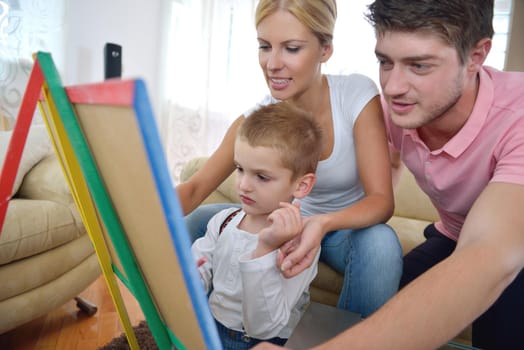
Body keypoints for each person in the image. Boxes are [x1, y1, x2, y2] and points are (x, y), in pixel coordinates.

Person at [254, 0, 524, 349]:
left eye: (419, 65)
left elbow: (488, 252)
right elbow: (389, 168)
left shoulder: (516, 115)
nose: (393, 87)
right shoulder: (399, 109)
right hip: (454, 235)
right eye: (385, 62)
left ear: (476, 56)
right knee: (389, 308)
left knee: (498, 319)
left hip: (509, 243)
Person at [177, 0, 403, 319]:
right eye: (264, 46)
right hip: (277, 220)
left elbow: (382, 201)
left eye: (291, 49)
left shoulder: (355, 95)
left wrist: (320, 224)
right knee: (198, 220)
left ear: (325, 50)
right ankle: (191, 329)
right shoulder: (257, 118)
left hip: (341, 230)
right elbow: (195, 188)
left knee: (381, 244)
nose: (272, 63)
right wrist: (131, 210)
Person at [191, 102, 323, 349]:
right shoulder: (224, 221)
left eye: (261, 177)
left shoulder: (300, 243)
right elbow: (198, 271)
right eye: (241, 169)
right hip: (211, 330)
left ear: (301, 185)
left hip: (264, 343)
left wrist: (264, 249)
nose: (243, 185)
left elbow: (264, 327)